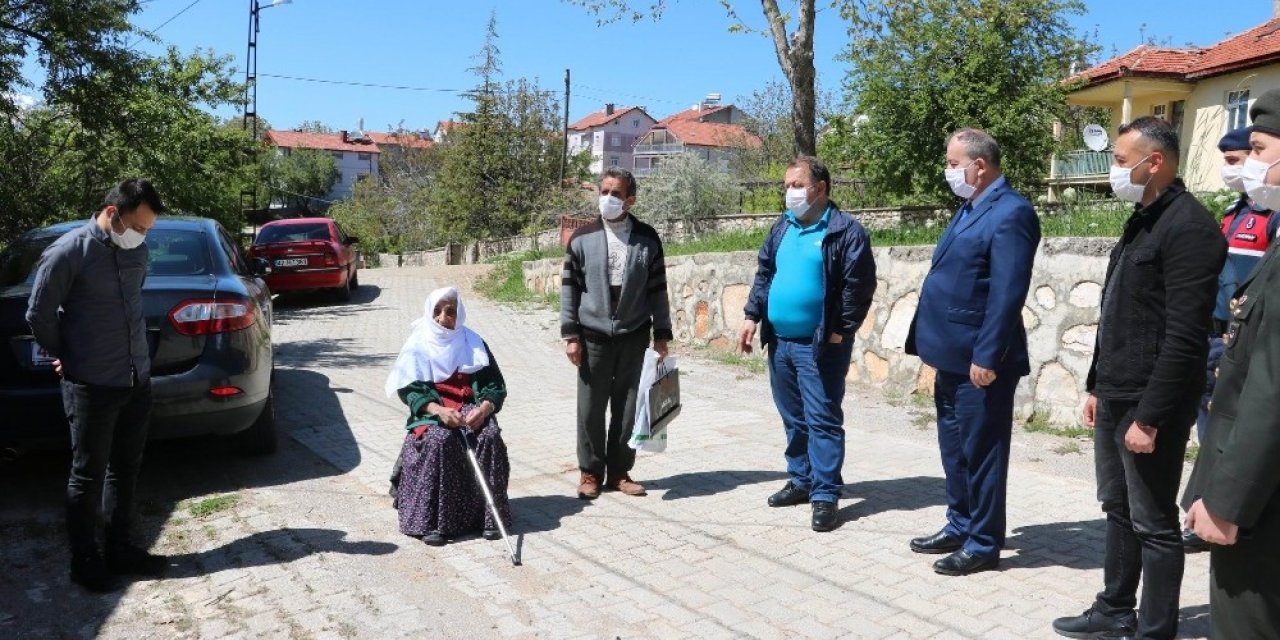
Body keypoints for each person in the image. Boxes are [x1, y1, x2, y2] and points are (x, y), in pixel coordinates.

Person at [1053, 116, 1225, 640]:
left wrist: (1148, 418)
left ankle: (1154, 630)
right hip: (1117, 392)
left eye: (1122, 161)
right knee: (1117, 507)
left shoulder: (1190, 227)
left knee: (1154, 523)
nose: (1114, 170)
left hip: (1152, 402)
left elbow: (1184, 336)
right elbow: (1118, 311)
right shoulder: (1142, 217)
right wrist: (1097, 385)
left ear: (1156, 162)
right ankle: (1114, 608)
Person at [903, 129, 1040, 575]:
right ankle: (960, 522)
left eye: (953, 162)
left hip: (981, 359)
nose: (948, 171)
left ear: (978, 166)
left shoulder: (1012, 212)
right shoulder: (971, 207)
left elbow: (1006, 292)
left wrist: (987, 355)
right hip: (950, 354)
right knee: (955, 448)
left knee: (982, 453)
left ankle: (983, 542)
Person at [26, 178, 167, 592]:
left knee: (126, 469)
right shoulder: (69, 251)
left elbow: (132, 303)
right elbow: (39, 314)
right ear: (111, 213)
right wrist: (65, 354)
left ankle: (120, 549)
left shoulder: (136, 251)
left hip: (135, 378)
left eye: (147, 230)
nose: (141, 237)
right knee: (87, 475)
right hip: (90, 382)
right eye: (137, 227)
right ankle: (84, 561)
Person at [1182, 88, 1280, 638]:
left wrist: (1224, 502)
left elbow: (1269, 393)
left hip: (1261, 507)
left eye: (1260, 146)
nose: (1251, 161)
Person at [738, 155, 877, 532]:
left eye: (797, 185)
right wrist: (752, 315)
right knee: (793, 417)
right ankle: (801, 480)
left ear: (820, 189)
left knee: (822, 418)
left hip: (820, 345)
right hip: (780, 342)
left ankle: (826, 494)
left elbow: (858, 286)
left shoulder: (845, 231)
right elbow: (765, 272)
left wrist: (841, 330)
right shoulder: (782, 227)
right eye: (787, 186)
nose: (790, 192)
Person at [561, 167, 673, 499]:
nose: (608, 198)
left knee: (628, 407)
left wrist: (662, 335)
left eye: (617, 193)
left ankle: (620, 471)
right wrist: (570, 336)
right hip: (592, 335)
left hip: (634, 334)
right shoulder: (582, 239)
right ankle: (589, 473)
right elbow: (569, 290)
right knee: (590, 408)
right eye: (604, 191)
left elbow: (658, 290)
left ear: (630, 199)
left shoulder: (647, 238)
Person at [386, 286, 511, 546]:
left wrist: (485, 407)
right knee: (440, 440)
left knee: (488, 435)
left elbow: (495, 385)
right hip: (434, 410)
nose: (444, 318)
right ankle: (434, 522)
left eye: (451, 312)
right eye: (438, 312)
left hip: (468, 405)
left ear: (459, 314)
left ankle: (488, 517)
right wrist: (437, 410)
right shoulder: (418, 344)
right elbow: (409, 388)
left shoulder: (473, 342)